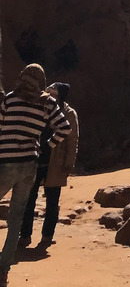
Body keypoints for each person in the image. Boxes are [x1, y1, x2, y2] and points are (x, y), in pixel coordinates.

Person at [0, 65, 70, 286]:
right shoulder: (46, 103)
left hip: (5, 162)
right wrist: (46, 145)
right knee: (16, 218)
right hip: (29, 164)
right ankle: (3, 270)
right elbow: (65, 128)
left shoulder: (10, 99)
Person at [18, 82, 78, 249]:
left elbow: (72, 140)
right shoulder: (39, 107)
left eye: (54, 94)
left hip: (56, 162)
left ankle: (47, 236)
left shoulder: (69, 114)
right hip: (35, 159)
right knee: (29, 199)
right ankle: (25, 235)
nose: (50, 97)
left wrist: (69, 163)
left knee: (52, 201)